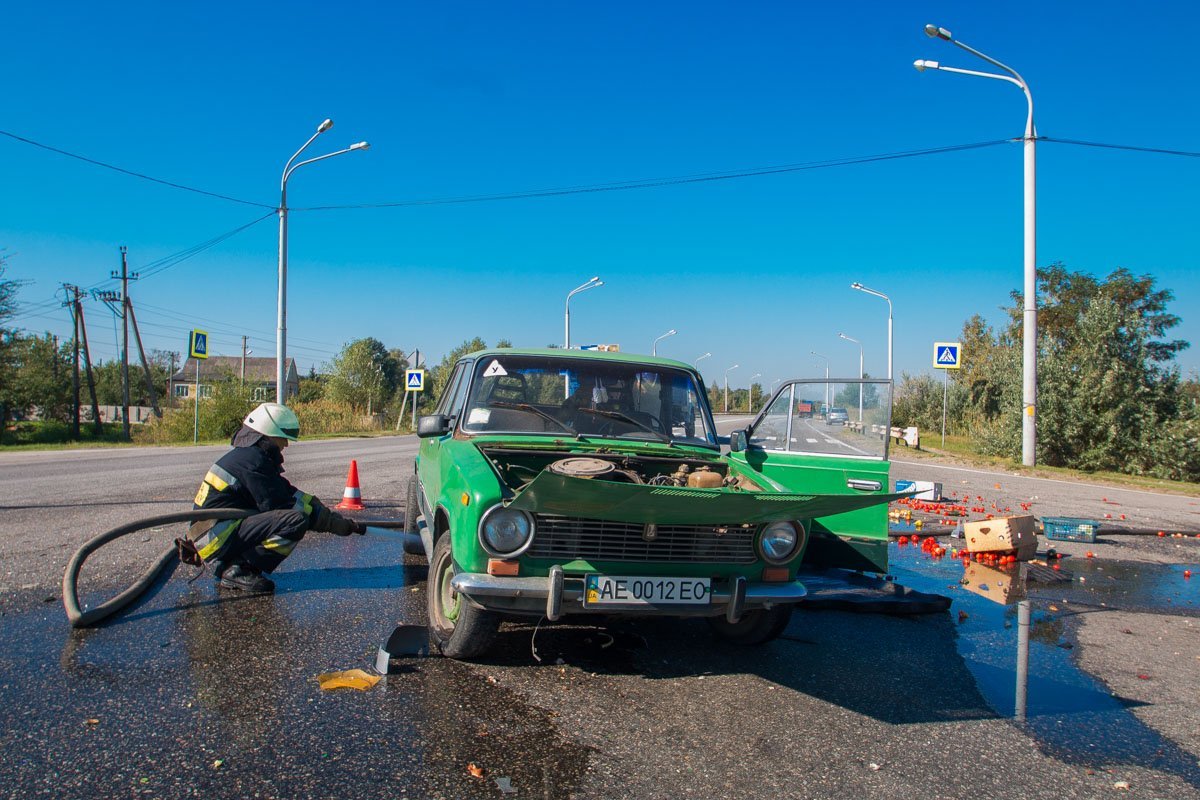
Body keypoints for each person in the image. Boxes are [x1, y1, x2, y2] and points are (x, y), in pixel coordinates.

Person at [187, 402, 364, 593]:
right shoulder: (253, 463)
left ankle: (236, 564)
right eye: (282, 438)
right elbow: (281, 505)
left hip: (217, 532)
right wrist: (331, 524)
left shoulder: (250, 456)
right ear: (267, 435)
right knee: (295, 521)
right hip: (215, 538)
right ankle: (239, 569)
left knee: (297, 513)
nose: (286, 444)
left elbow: (286, 492)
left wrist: (317, 506)